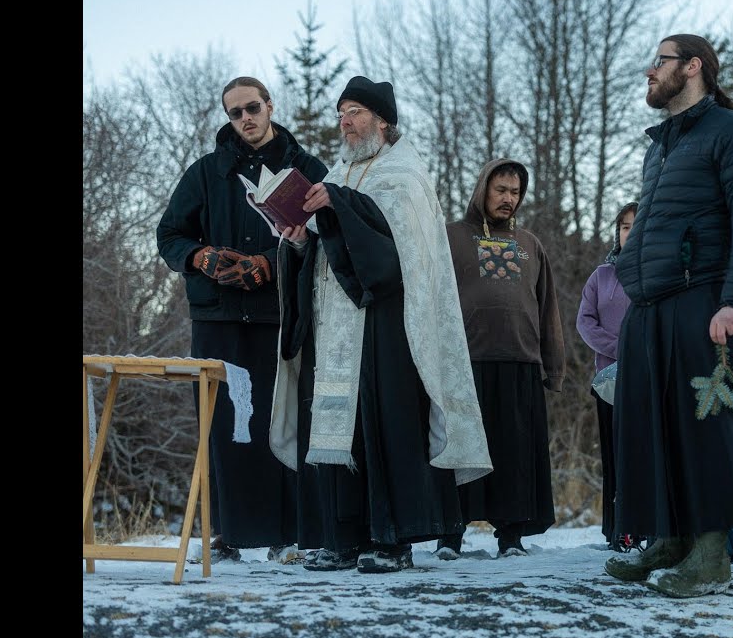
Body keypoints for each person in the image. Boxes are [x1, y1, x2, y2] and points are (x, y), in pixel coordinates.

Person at [267, 76, 493, 574]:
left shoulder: (403, 174)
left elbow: (396, 257)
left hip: (386, 323)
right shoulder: (337, 173)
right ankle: (342, 536)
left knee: (382, 425)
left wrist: (339, 208)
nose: (345, 122)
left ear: (382, 120)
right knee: (334, 429)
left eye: (355, 112)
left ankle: (391, 540)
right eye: (341, 113)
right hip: (334, 325)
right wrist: (299, 239)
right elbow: (325, 251)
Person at [604, 34, 733, 598]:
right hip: (651, 304)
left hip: (703, 301)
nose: (649, 72)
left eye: (660, 61)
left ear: (693, 67)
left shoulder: (731, 131)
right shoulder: (661, 145)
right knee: (656, 426)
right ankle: (672, 537)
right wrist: (629, 272)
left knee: (706, 432)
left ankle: (710, 554)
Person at [157, 76, 329, 564]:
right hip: (218, 319)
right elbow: (169, 234)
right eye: (234, 112)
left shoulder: (306, 169)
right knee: (226, 426)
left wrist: (274, 265)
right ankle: (226, 533)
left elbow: (329, 237)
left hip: (283, 315)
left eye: (252, 107)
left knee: (285, 420)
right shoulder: (207, 172)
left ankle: (288, 532)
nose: (245, 118)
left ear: (269, 105)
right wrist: (199, 256)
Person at [438, 158, 567, 559]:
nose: (508, 199)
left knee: (515, 454)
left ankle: (511, 536)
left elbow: (548, 309)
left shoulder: (530, 244)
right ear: (483, 190)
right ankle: (450, 536)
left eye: (515, 192)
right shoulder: (451, 237)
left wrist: (554, 366)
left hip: (520, 361)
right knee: (461, 449)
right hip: (465, 362)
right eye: (501, 190)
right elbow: (433, 300)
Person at [575, 201, 639, 552]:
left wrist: (639, 352)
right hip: (609, 381)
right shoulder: (602, 276)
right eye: (624, 226)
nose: (629, 231)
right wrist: (620, 348)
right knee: (614, 457)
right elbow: (585, 322)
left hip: (648, 378)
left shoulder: (655, 272)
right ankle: (617, 531)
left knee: (642, 455)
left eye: (636, 224)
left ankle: (646, 528)